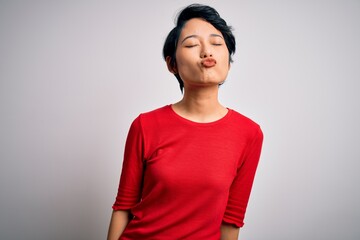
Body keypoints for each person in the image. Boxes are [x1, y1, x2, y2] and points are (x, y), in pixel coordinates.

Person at [107, 4, 263, 240]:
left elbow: (231, 221)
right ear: (172, 65)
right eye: (191, 44)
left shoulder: (249, 133)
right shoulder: (145, 125)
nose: (207, 52)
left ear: (228, 62)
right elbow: (123, 206)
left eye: (217, 44)